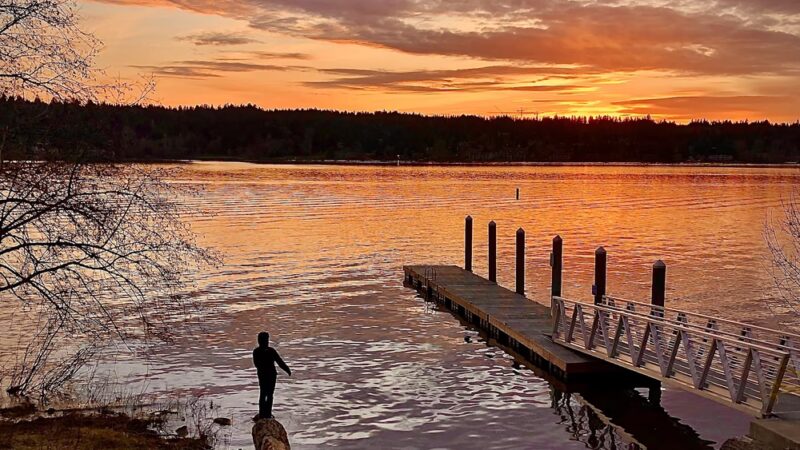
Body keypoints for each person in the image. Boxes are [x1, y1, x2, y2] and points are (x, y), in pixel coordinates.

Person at [253, 331, 291, 418]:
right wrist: (287, 370)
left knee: (264, 394)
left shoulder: (257, 351)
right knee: (268, 394)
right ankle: (267, 414)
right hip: (269, 375)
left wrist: (287, 369)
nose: (266, 341)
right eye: (266, 340)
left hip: (264, 375)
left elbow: (257, 364)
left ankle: (263, 414)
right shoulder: (270, 351)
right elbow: (279, 362)